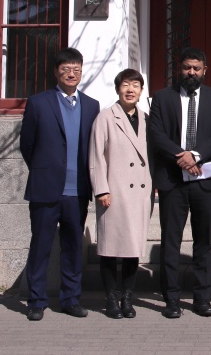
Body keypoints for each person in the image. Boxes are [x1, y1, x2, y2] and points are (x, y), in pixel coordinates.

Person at [19, 47, 100, 321]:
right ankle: (36, 301)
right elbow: (27, 144)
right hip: (46, 188)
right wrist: (44, 170)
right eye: (66, 69)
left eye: (76, 69)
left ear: (81, 71)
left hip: (78, 190)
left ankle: (70, 299)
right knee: (41, 246)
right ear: (56, 72)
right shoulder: (38, 102)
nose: (71, 73)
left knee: (73, 248)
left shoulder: (92, 105)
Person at [147, 47, 211, 319]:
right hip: (173, 181)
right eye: (186, 68)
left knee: (203, 241)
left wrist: (194, 155)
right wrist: (180, 156)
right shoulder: (162, 97)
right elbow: (156, 133)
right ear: (178, 69)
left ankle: (202, 298)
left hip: (205, 180)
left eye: (196, 68)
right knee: (171, 241)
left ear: (205, 70)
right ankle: (171, 299)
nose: (191, 72)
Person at [89, 68, 151, 319]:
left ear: (141, 90)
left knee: (132, 249)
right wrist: (101, 189)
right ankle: (111, 298)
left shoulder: (146, 118)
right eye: (125, 85)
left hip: (139, 194)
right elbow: (96, 156)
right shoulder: (105, 117)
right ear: (117, 89)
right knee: (110, 248)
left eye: (135, 85)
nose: (130, 90)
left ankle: (127, 297)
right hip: (114, 192)